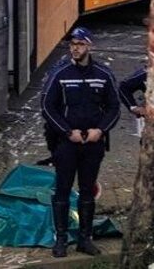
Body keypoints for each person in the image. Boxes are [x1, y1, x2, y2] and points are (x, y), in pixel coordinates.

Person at [41, 26, 120, 258]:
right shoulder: (60, 73)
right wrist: (67, 132)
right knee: (62, 190)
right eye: (73, 44)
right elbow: (47, 106)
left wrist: (101, 130)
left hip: (93, 143)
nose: (75, 48)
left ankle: (85, 239)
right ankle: (61, 239)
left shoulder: (103, 74)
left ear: (89, 46)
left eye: (80, 44)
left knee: (87, 191)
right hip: (67, 143)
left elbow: (114, 107)